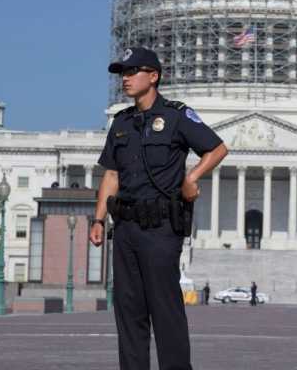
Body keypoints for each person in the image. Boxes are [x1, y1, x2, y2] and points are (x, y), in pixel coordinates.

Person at [89, 46, 228, 370]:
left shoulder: (177, 115)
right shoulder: (122, 122)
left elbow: (217, 148)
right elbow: (111, 173)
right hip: (125, 227)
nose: (125, 78)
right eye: (122, 73)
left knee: (164, 310)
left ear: (153, 76)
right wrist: (98, 219)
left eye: (131, 71)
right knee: (128, 310)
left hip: (161, 228)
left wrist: (192, 176)